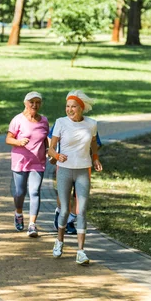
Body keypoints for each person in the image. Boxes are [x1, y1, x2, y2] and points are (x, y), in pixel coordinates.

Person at [48, 90, 102, 265]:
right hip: (64, 169)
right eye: (67, 106)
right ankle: (59, 241)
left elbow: (94, 143)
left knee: (82, 210)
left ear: (81, 108)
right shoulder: (60, 122)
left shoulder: (91, 124)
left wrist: (95, 159)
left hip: (83, 170)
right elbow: (50, 148)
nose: (69, 110)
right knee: (64, 210)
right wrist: (57, 156)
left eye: (73, 107)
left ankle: (81, 251)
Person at [5, 91, 50, 237]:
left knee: (35, 191)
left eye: (37, 102)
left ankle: (32, 225)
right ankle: (18, 213)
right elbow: (8, 139)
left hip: (38, 162)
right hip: (20, 161)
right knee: (20, 192)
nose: (35, 105)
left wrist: (49, 150)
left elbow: (45, 139)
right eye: (32, 102)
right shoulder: (18, 120)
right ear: (25, 103)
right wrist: (18, 142)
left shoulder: (44, 121)